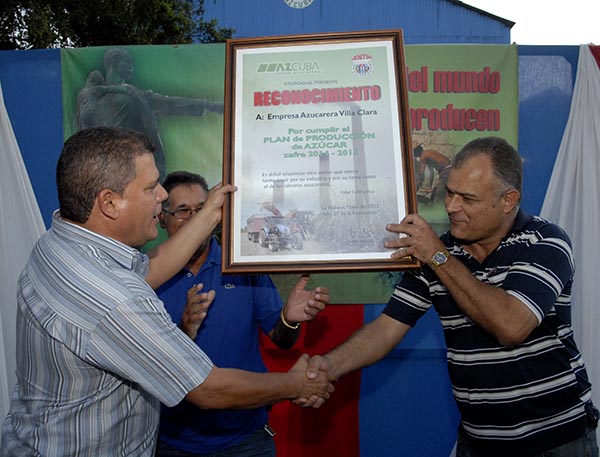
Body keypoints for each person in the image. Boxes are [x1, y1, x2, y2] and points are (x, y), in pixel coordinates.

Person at [0, 127, 334, 457]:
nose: (161, 195)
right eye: (150, 188)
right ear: (110, 202)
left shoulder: (59, 242)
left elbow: (150, 270)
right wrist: (297, 384)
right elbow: (206, 388)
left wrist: (210, 212)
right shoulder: (115, 299)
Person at [308, 137, 599, 456]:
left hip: (556, 441)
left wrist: (439, 257)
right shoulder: (440, 252)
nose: (451, 206)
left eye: (467, 198)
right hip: (478, 442)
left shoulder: (544, 242)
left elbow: (511, 325)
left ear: (507, 200)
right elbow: (386, 329)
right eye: (449, 192)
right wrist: (327, 366)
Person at [154, 171, 330, 456]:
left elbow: (282, 338)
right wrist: (184, 329)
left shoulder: (241, 265)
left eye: (203, 209)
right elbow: (152, 363)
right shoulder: (148, 275)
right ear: (162, 218)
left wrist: (290, 317)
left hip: (246, 439)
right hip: (173, 441)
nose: (196, 219)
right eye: (183, 211)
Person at [76, 47, 224, 179]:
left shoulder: (136, 95)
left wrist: (209, 105)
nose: (131, 67)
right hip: (104, 165)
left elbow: (170, 103)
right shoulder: (92, 96)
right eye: (127, 62)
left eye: (131, 64)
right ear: (113, 63)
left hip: (134, 164)